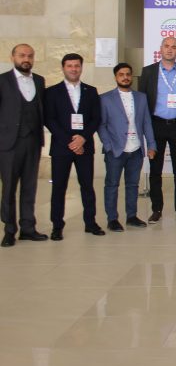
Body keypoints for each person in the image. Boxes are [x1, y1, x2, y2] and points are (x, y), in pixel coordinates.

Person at [44, 53, 104, 239]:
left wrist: (83, 138)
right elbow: (49, 119)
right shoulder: (52, 92)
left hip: (84, 146)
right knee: (59, 187)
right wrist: (70, 142)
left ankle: (90, 223)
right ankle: (57, 226)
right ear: (63, 68)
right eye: (69, 66)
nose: (73, 69)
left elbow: (96, 118)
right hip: (62, 147)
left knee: (87, 186)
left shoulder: (91, 91)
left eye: (77, 66)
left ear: (81, 68)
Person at [138, 36, 176, 223]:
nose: (170, 49)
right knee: (155, 170)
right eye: (167, 46)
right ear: (161, 49)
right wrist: (144, 128)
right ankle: (156, 209)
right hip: (156, 126)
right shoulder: (148, 71)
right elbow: (142, 101)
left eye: (174, 47)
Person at [98, 62, 157, 231]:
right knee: (112, 185)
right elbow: (101, 125)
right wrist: (108, 145)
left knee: (133, 185)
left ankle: (131, 216)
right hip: (116, 150)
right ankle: (112, 219)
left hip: (136, 149)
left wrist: (151, 145)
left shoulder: (141, 97)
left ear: (131, 76)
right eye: (121, 74)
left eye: (128, 74)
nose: (125, 77)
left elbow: (146, 122)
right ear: (116, 77)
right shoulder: (105, 98)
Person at [0, 44, 47, 247]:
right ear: (13, 57)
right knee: (9, 188)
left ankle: (28, 228)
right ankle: (9, 230)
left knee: (29, 187)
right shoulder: (2, 81)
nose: (26, 59)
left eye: (30, 55)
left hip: (33, 142)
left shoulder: (39, 80)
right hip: (9, 144)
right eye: (22, 55)